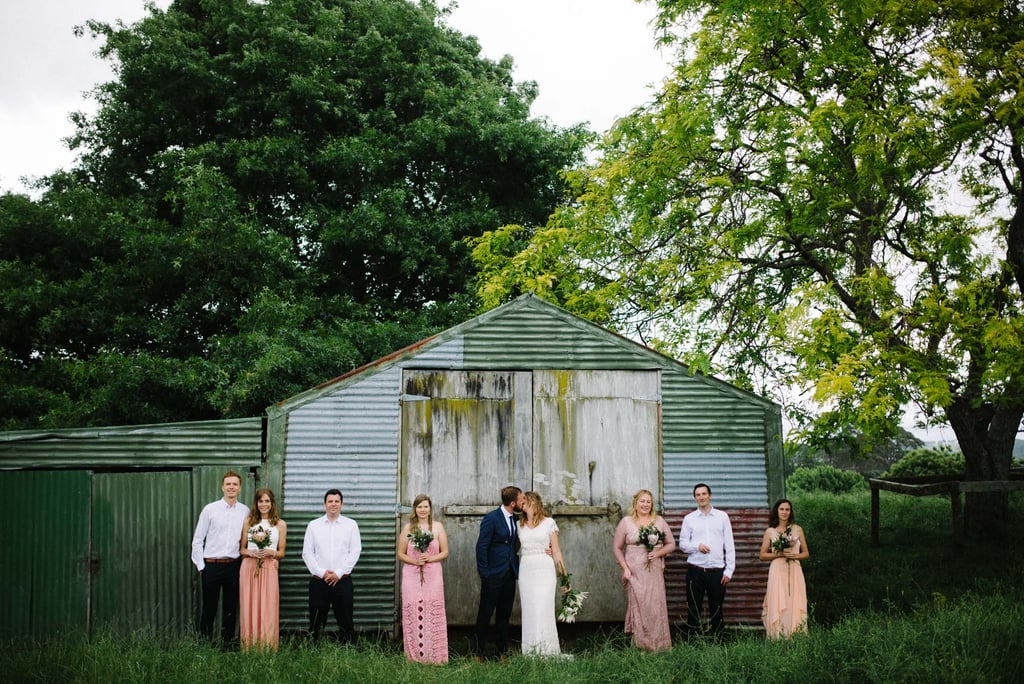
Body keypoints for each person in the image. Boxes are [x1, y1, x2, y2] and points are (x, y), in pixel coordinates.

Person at [612, 489, 676, 651]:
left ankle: (659, 645)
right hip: (633, 572)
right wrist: (625, 567)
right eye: (642, 501)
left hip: (653, 571)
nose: (645, 504)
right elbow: (617, 548)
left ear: (652, 504)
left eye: (648, 501)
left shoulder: (659, 521)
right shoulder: (626, 522)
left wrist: (658, 552)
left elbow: (671, 544)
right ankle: (641, 646)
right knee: (638, 606)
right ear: (635, 503)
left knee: (655, 606)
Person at [191, 470, 250, 644]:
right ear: (222, 487)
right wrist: (202, 567)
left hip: (233, 566)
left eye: (235, 484)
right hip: (212, 565)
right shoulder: (210, 509)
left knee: (231, 608)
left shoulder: (245, 511)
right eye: (228, 484)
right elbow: (197, 540)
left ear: (239, 488)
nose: (231, 487)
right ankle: (204, 644)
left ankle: (228, 645)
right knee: (209, 607)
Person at [302, 488, 362, 644]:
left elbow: (355, 551)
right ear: (324, 504)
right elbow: (307, 553)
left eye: (336, 501)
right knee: (315, 622)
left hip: (342, 581)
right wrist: (323, 573)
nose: (333, 504)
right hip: (319, 582)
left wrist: (339, 573)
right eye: (330, 501)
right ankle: (312, 651)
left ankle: (349, 651)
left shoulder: (351, 525)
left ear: (342, 504)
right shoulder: (313, 525)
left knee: (346, 621)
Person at [396, 493, 450, 663]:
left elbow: (445, 552)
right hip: (412, 573)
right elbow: (400, 553)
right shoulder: (408, 528)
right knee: (413, 609)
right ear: (415, 509)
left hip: (433, 573)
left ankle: (434, 655)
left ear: (430, 508)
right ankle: (414, 655)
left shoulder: (438, 527)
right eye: (419, 507)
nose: (422, 510)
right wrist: (415, 561)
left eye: (425, 506)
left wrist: (429, 559)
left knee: (431, 609)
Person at [678, 482, 735, 639]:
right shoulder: (689, 519)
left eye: (704, 494)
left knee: (716, 608)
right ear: (695, 498)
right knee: (693, 608)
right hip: (695, 571)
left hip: (717, 572)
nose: (701, 497)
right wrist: (697, 546)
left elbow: (729, 545)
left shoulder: (722, 517)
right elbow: (682, 544)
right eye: (698, 495)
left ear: (710, 495)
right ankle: (693, 640)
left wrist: (729, 570)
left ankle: (718, 639)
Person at [474, 485, 524, 660]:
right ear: (512, 503)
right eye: (521, 499)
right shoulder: (492, 518)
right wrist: (485, 573)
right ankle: (478, 653)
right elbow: (481, 547)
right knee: (485, 614)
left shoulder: (515, 519)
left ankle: (501, 652)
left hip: (510, 574)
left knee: (504, 615)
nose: (523, 502)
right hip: (493, 575)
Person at [518, 490, 567, 656]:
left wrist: (565, 578)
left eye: (525, 499)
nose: (521, 502)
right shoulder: (519, 524)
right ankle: (531, 651)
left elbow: (557, 551)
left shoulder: (549, 523)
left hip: (545, 570)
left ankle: (548, 650)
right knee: (530, 609)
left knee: (543, 608)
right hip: (526, 571)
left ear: (534, 502)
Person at [238, 488, 287, 650]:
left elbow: (281, 552)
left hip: (268, 567)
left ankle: (267, 647)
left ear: (272, 503)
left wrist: (272, 552)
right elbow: (242, 550)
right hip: (250, 567)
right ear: (256, 503)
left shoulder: (280, 524)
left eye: (267, 501)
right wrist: (250, 552)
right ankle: (249, 646)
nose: (264, 504)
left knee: (268, 605)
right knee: (249, 605)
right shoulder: (249, 522)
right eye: (261, 501)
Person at [759, 498, 809, 639]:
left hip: (794, 569)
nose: (784, 512)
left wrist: (794, 556)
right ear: (777, 511)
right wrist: (778, 554)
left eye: (787, 509)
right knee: (778, 601)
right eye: (782, 509)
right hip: (777, 570)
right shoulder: (770, 531)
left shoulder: (797, 529)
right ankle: (777, 636)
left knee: (794, 600)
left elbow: (806, 553)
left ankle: (795, 635)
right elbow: (762, 555)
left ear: (790, 512)